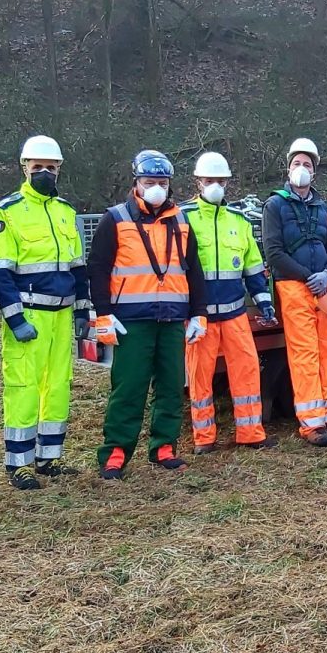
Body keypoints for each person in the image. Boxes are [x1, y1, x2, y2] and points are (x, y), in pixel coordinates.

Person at [88, 150, 208, 478]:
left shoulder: (181, 221)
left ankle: (164, 446)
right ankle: (115, 451)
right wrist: (103, 313)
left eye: (162, 182)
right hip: (131, 320)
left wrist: (199, 313)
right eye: (149, 182)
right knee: (129, 387)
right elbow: (98, 268)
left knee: (171, 385)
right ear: (137, 183)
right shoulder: (115, 219)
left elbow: (193, 269)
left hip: (172, 317)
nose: (156, 187)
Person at [0, 135, 90, 490]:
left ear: (60, 168)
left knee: (58, 385)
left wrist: (82, 310)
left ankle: (50, 457)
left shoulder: (66, 212)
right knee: (24, 386)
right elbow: (1, 272)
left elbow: (79, 268)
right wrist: (15, 319)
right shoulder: (7, 212)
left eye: (51, 167)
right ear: (24, 167)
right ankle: (19, 463)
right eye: (37, 167)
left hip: (62, 316)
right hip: (29, 314)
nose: (44, 172)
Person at [181, 152, 277, 454]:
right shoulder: (182, 218)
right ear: (198, 181)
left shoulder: (239, 221)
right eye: (210, 180)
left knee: (247, 372)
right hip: (200, 316)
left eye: (221, 181)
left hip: (234, 311)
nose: (216, 186)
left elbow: (252, 267)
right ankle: (204, 438)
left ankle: (250, 433)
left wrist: (264, 302)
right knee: (199, 378)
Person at [261, 138, 327, 442]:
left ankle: (325, 417)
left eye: (307, 165)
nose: (301, 169)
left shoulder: (322, 207)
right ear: (288, 168)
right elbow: (274, 252)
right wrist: (308, 276)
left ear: (315, 172)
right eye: (297, 163)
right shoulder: (275, 205)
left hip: (325, 287)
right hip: (294, 288)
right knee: (304, 354)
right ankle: (311, 424)